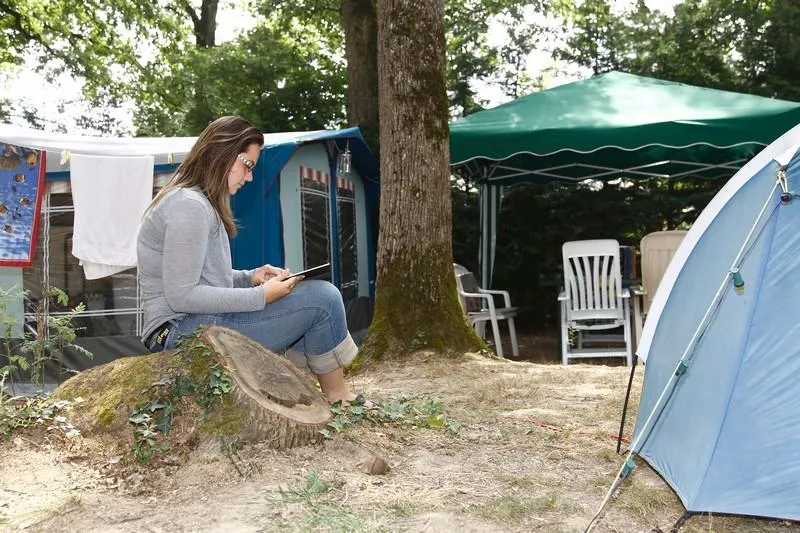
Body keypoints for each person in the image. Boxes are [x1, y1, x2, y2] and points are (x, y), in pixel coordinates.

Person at [137, 116, 361, 405]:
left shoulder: (194, 202)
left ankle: (312, 391)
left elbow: (200, 278)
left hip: (187, 324)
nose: (250, 177)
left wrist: (250, 277)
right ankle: (338, 397)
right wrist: (260, 296)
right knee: (323, 299)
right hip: (177, 332)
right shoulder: (189, 207)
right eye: (248, 165)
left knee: (310, 295)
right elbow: (181, 295)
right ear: (223, 151)